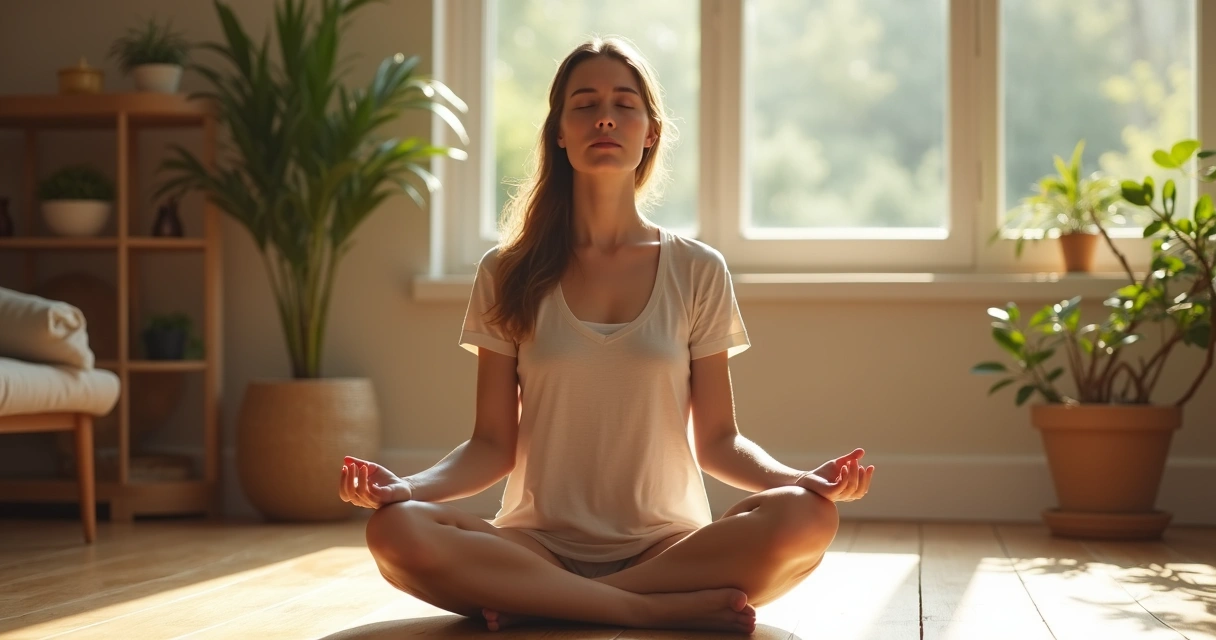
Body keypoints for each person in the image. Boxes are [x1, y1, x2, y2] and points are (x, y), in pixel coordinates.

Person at [338, 35, 874, 635]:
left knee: (808, 518)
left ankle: (548, 603)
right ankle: (643, 610)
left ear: (650, 131)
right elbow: (491, 444)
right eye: (584, 103)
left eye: (624, 103)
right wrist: (405, 486)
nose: (605, 117)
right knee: (394, 528)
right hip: (534, 546)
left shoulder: (698, 269)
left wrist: (799, 481)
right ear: (559, 133)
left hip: (668, 548)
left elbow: (720, 441)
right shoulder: (507, 271)